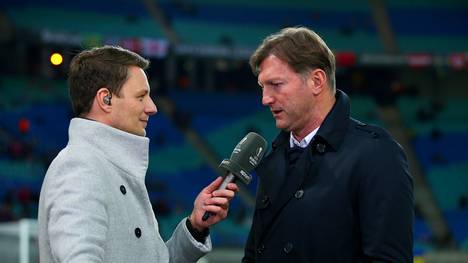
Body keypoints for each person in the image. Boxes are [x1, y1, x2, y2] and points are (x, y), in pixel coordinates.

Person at [38, 45, 238, 263]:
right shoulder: (80, 167)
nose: (152, 107)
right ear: (106, 99)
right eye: (141, 96)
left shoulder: (108, 165)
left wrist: (195, 227)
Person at [243, 27, 413, 262]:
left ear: (316, 81)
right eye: (263, 87)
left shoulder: (377, 154)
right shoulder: (276, 157)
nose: (265, 99)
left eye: (276, 84)